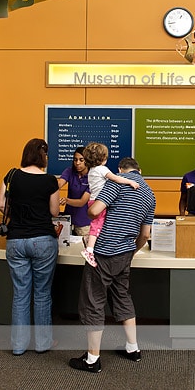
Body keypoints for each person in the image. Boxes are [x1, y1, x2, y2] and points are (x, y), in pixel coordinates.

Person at [69, 157, 156, 374]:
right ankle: (132, 348)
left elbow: (95, 210)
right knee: (122, 295)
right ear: (140, 170)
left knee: (93, 300)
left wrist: (89, 213)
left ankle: (92, 359)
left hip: (104, 251)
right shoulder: (149, 193)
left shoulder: (116, 182)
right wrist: (131, 251)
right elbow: (145, 234)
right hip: (125, 253)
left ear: (120, 169)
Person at [0, 138, 60, 356]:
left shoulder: (11, 175)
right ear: (43, 155)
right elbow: (54, 212)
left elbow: (0, 205)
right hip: (42, 239)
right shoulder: (50, 180)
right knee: (42, 293)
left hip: (15, 239)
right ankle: (42, 344)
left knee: (20, 294)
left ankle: (18, 345)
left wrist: (19, 216)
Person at [81, 142, 139, 267]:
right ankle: (89, 249)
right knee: (97, 225)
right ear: (102, 158)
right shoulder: (102, 169)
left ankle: (89, 241)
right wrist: (130, 182)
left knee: (97, 224)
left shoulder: (91, 171)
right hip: (98, 201)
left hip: (92, 200)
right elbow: (116, 178)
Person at [57, 146, 91, 237]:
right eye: (75, 160)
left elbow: (82, 202)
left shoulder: (92, 177)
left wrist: (66, 200)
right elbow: (59, 184)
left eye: (81, 160)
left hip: (84, 222)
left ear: (87, 161)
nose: (77, 163)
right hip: (68, 219)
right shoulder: (69, 171)